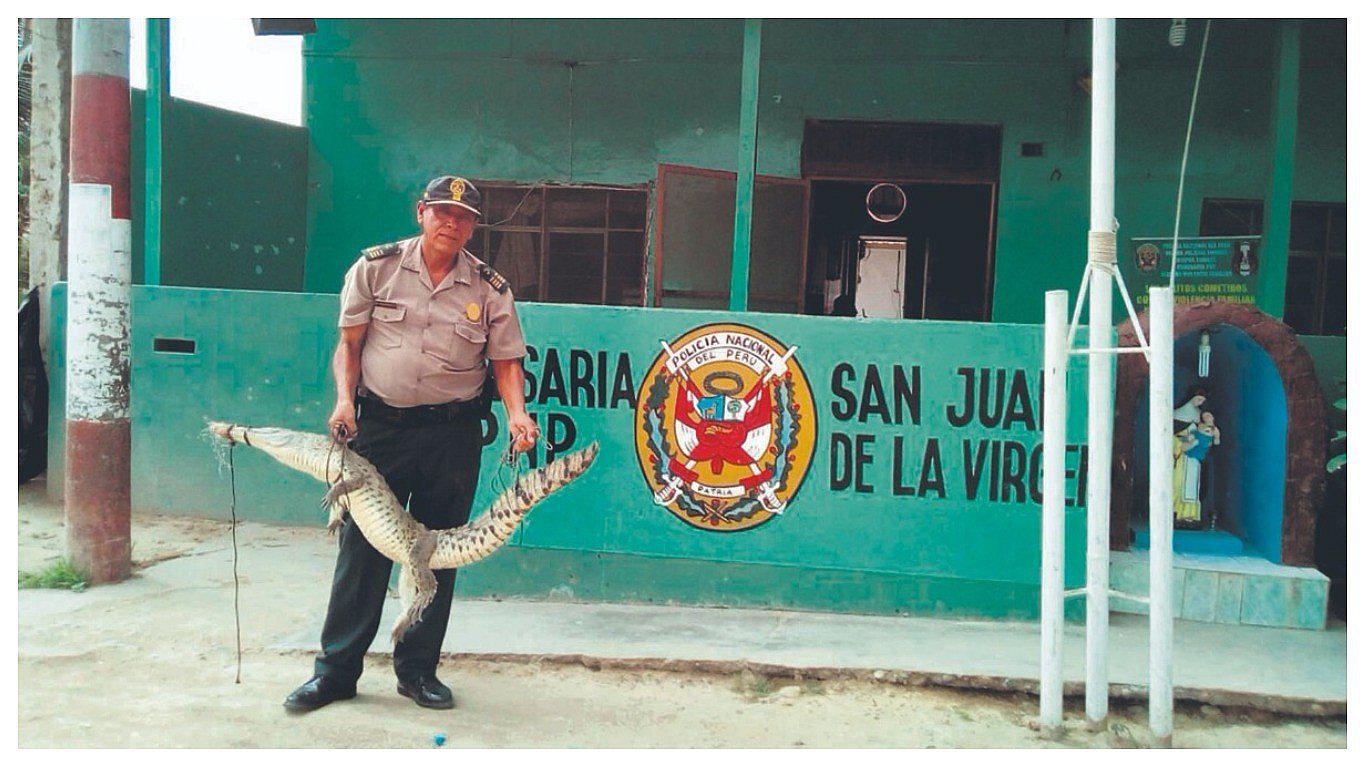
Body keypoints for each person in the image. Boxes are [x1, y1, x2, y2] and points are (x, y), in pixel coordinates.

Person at [284, 175, 540, 713]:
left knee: (437, 553)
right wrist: (344, 402)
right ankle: (335, 673)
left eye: (464, 216)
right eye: (443, 211)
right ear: (421, 211)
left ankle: (418, 672)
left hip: (452, 435)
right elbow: (350, 345)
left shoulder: (489, 288)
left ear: (473, 227)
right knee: (362, 550)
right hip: (380, 430)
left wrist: (518, 415)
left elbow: (506, 362)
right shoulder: (375, 268)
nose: (453, 222)